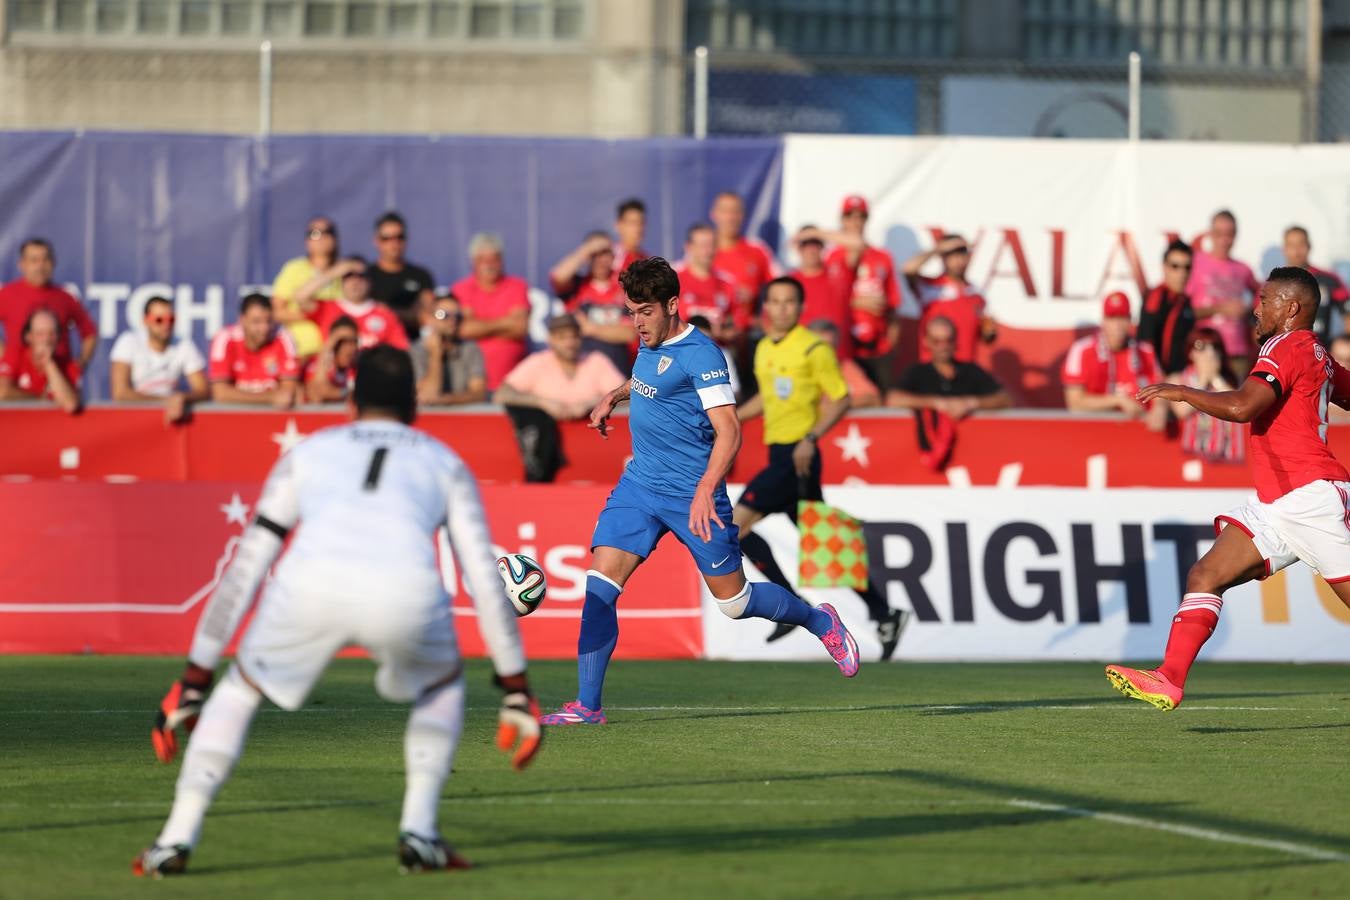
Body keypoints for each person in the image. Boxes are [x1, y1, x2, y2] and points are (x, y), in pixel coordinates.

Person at [131, 345, 541, 877]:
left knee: (239, 691)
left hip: (309, 587)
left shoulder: (309, 452)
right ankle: (419, 832)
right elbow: (485, 580)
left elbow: (247, 566)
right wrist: (515, 686)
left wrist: (194, 676)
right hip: (405, 591)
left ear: (350, 401)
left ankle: (174, 839)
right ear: (414, 406)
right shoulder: (443, 461)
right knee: (441, 686)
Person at [539, 257, 862, 727]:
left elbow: (729, 431)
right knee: (599, 586)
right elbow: (655, 381)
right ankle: (588, 706)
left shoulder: (703, 355)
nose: (637, 322)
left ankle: (819, 621)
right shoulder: (650, 340)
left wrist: (706, 490)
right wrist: (616, 393)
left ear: (672, 305)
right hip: (640, 486)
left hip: (695, 494)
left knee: (734, 603)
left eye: (645, 311)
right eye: (631, 311)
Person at [1108, 267, 1350, 710]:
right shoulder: (1316, 352)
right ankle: (1169, 678)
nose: (1257, 309)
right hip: (1280, 503)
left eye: (1266, 300)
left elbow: (1242, 406)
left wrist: (1183, 391)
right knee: (1206, 575)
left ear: (1291, 308)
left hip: (1307, 498)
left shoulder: (1285, 347)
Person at [734, 277, 909, 660]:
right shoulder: (763, 348)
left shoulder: (814, 348)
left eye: (789, 302)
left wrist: (811, 437)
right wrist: (730, 418)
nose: (781, 308)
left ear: (800, 308)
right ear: (766, 307)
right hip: (779, 454)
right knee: (825, 545)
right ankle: (885, 612)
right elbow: (766, 397)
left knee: (735, 525)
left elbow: (842, 397)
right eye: (774, 301)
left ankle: (789, 605)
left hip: (799, 459)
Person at [494, 313, 625, 483]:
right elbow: (503, 393)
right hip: (545, 459)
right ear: (551, 340)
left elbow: (628, 395)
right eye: (562, 337)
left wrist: (592, 404)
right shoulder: (538, 362)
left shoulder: (595, 360)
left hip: (598, 458)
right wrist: (543, 403)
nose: (569, 343)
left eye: (574, 337)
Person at [887, 317, 1011, 468]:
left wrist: (971, 403)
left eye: (948, 340)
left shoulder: (971, 371)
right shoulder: (917, 373)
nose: (943, 346)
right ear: (926, 342)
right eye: (937, 341)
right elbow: (893, 399)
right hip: (925, 461)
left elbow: (1005, 399)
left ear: (955, 341)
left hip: (973, 461)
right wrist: (937, 403)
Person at [825, 195, 901, 391]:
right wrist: (858, 303)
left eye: (861, 216)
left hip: (878, 347)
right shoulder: (832, 257)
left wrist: (891, 346)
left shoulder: (882, 257)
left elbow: (893, 303)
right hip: (845, 345)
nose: (856, 222)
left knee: (880, 405)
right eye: (850, 216)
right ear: (842, 220)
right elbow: (826, 301)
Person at [109, 295, 209, 423]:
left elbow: (203, 390)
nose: (166, 325)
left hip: (171, 421)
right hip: (133, 422)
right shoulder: (128, 341)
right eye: (159, 320)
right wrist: (167, 401)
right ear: (146, 321)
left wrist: (182, 398)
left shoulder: (184, 344)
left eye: (171, 319)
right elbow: (120, 394)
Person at [1062, 292, 1162, 419]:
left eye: (1122, 317)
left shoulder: (1145, 351)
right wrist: (1118, 401)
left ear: (1130, 319)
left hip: (1139, 429)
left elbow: (1161, 389)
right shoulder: (1081, 350)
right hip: (1094, 430)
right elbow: (1075, 403)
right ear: (1103, 320)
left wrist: (1161, 407)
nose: (1118, 325)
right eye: (1112, 318)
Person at [450, 232, 530, 391]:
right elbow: (463, 330)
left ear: (502, 260)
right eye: (483, 260)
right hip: (470, 385)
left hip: (511, 383)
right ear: (473, 262)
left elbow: (520, 328)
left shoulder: (517, 286)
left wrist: (478, 324)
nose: (489, 264)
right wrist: (505, 322)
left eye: (494, 259)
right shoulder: (461, 289)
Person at [0, 238, 96, 370]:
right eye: (34, 260)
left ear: (53, 262)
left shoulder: (65, 297)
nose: (40, 266)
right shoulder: (6, 294)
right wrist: (5, 357)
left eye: (45, 260)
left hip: (58, 378)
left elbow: (90, 332)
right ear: (21, 264)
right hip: (18, 380)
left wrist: (80, 364)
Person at [549, 230, 636, 374]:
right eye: (595, 255)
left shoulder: (625, 286)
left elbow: (629, 333)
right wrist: (587, 249)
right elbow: (558, 276)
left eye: (605, 253)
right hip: (583, 377)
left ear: (613, 256)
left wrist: (590, 328)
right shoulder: (577, 287)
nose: (600, 260)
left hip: (620, 374)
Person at [902, 234, 997, 364]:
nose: (960, 260)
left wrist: (989, 333)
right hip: (933, 368)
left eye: (963, 254)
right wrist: (938, 249)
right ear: (943, 257)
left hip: (965, 370)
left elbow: (986, 336)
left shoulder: (976, 293)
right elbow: (908, 269)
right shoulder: (930, 286)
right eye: (953, 255)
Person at [1187, 209, 1260, 376]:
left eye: (1229, 234)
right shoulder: (1195, 263)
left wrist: (1248, 310)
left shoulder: (1244, 270)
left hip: (1237, 355)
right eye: (1219, 233)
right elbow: (1182, 312)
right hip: (1204, 349)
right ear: (1210, 234)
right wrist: (1219, 309)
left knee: (1235, 400)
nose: (1224, 240)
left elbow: (1261, 300)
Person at [1165, 326, 1245, 464]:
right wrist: (1203, 380)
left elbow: (1240, 407)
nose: (1210, 353)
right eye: (1201, 347)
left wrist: (1215, 379)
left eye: (1214, 347)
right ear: (1191, 353)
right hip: (1190, 456)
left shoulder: (1234, 381)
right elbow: (1182, 411)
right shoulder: (1177, 380)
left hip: (1227, 457)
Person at [208, 294, 300, 408]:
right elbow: (220, 394)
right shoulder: (224, 338)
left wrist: (238, 396)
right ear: (242, 320)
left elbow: (287, 393)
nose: (264, 328)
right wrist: (270, 397)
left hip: (273, 418)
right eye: (257, 322)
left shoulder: (284, 337)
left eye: (268, 321)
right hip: (235, 417)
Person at [270, 217, 344, 358]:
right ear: (306, 241)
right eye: (314, 233)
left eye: (328, 232)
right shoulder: (295, 269)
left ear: (335, 238)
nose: (321, 237)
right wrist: (315, 315)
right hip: (300, 352)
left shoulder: (346, 273)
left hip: (335, 356)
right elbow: (276, 312)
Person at [367, 211, 435, 344]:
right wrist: (408, 314)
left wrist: (387, 311)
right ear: (376, 241)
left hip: (412, 347)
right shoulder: (366, 276)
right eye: (387, 238)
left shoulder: (421, 275)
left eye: (399, 237)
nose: (394, 243)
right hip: (374, 345)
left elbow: (425, 317)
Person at [314, 256, 410, 351]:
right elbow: (301, 297)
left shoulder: (385, 314)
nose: (355, 282)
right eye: (349, 275)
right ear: (341, 280)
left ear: (370, 281)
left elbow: (401, 350)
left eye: (361, 276)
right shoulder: (327, 307)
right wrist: (334, 272)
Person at [789, 226, 856, 360]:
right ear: (799, 249)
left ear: (822, 247)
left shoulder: (838, 274)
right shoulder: (790, 282)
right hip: (802, 360)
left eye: (816, 244)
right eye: (806, 244)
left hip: (839, 358)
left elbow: (858, 244)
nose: (811, 249)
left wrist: (816, 233)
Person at [413, 293, 489, 407]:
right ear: (429, 318)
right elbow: (428, 395)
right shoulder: (416, 351)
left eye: (457, 316)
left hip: (462, 419)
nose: (452, 320)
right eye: (442, 315)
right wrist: (435, 354)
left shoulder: (470, 348)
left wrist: (446, 400)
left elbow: (479, 394)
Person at [0, 308, 81, 414]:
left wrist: (49, 363)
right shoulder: (15, 355)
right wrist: (38, 399)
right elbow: (2, 392)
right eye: (40, 334)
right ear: (29, 336)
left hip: (50, 427)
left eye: (51, 334)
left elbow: (70, 405)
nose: (46, 340)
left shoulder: (68, 366)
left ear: (59, 337)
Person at [710, 191, 777, 319]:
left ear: (743, 216)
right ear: (714, 214)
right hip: (708, 332)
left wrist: (760, 311)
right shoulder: (701, 251)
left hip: (748, 332)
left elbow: (781, 286)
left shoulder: (758, 250)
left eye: (736, 211)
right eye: (725, 211)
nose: (730, 217)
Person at [674, 223, 742, 347]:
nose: (708, 251)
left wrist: (722, 333)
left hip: (717, 351)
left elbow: (737, 327)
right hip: (679, 351)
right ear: (688, 247)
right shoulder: (672, 278)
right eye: (703, 245)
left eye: (712, 245)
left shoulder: (727, 282)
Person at [1281, 225, 1349, 346]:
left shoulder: (1328, 280)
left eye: (1301, 245)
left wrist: (1341, 346)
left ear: (1309, 246)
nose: (1297, 251)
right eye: (1291, 246)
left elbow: (1347, 312)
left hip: (1320, 350)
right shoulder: (1274, 283)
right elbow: (1257, 324)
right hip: (1285, 353)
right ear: (1284, 249)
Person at [1137, 240, 1196, 375]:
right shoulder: (1155, 298)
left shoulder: (1185, 302)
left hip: (1181, 381)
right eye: (1175, 266)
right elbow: (1146, 346)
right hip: (1161, 383)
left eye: (1187, 267)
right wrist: (1161, 382)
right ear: (1164, 267)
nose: (1182, 273)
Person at [808, 320, 879, 408]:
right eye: (821, 348)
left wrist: (839, 405)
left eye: (830, 346)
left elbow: (872, 397)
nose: (826, 353)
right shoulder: (797, 368)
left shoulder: (846, 367)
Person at [303, 315, 359, 404]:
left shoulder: (358, 367)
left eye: (353, 342)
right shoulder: (316, 363)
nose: (349, 348)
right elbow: (317, 393)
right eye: (342, 342)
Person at [687, 315, 742, 399]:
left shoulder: (722, 353)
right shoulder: (676, 357)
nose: (701, 345)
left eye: (705, 339)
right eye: (695, 341)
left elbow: (735, 391)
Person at [613, 197, 648, 273]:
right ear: (618, 225)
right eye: (633, 223)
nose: (638, 229)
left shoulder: (647, 261)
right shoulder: (610, 259)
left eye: (641, 223)